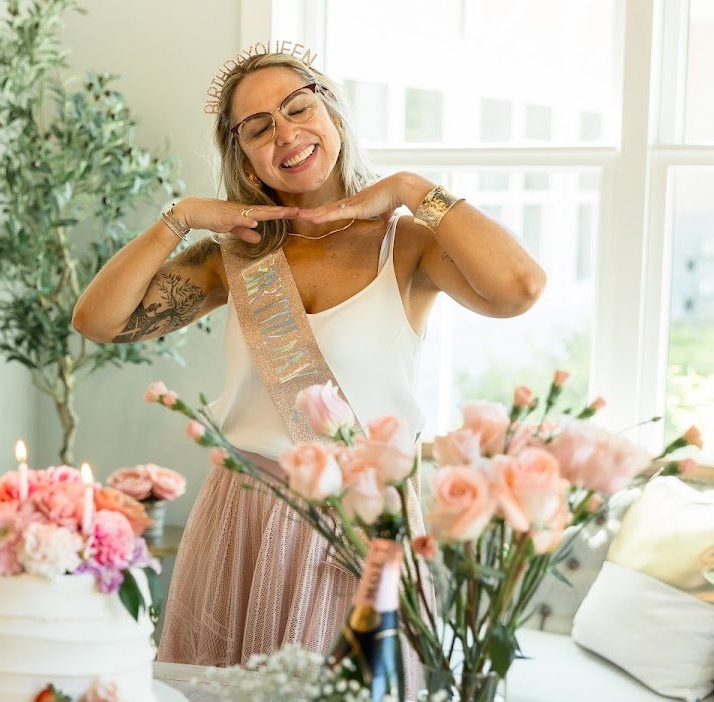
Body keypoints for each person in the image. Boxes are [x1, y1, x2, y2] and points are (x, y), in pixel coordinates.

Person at [71, 47, 546, 667]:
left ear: (333, 112)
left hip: (362, 525)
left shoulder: (408, 246)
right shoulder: (234, 255)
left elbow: (519, 288)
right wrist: (180, 218)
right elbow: (97, 321)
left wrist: (410, 189)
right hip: (243, 517)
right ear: (242, 154)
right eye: (258, 127)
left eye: (298, 108)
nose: (285, 133)